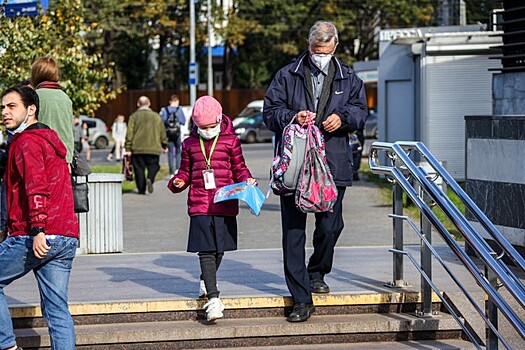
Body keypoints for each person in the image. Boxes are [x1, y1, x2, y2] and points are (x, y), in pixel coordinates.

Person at [263, 20, 368, 322]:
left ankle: (317, 270)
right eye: (314, 50)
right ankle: (301, 298)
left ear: (335, 45)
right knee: (294, 233)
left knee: (330, 226)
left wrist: (343, 118)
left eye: (324, 50)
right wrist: (292, 116)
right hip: (294, 163)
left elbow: (362, 111)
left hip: (332, 163)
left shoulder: (349, 77)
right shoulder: (287, 74)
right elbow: (269, 113)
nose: (319, 55)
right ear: (308, 45)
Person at [0, 85, 79, 350]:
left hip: (38, 234)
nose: (5, 112)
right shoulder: (50, 140)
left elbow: (36, 187)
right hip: (66, 236)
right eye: (2, 107)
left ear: (30, 109)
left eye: (12, 106)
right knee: (57, 308)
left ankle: (7, 345)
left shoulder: (27, 142)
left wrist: (38, 229)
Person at [167, 95, 257, 322]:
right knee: (205, 250)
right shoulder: (189, 143)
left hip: (224, 202)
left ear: (219, 120)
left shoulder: (231, 141)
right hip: (199, 204)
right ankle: (214, 299)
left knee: (219, 249)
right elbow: (185, 172)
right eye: (201, 128)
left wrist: (248, 180)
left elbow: (239, 168)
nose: (206, 131)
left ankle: (205, 280)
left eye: (210, 127)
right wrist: (177, 182)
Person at [31, 56, 75, 164]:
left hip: (39, 157)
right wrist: (68, 159)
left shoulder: (33, 96)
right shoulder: (65, 98)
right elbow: (68, 132)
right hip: (63, 158)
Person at [125, 96, 168, 194]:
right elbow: (162, 132)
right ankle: (150, 178)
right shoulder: (156, 116)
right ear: (149, 103)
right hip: (154, 147)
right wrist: (164, 144)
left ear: (138, 104)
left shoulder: (134, 117)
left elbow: (129, 133)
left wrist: (128, 147)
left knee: (139, 169)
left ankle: (141, 189)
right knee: (154, 165)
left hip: (137, 148)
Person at [160, 94, 186, 174]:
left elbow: (162, 122)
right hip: (177, 134)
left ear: (170, 101)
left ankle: (171, 172)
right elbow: (183, 121)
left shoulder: (164, 110)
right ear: (177, 101)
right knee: (178, 152)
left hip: (168, 134)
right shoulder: (179, 109)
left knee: (170, 152)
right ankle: (177, 170)